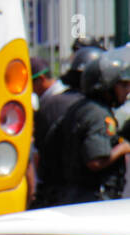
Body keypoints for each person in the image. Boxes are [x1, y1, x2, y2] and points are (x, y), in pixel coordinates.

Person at [35, 48, 130, 207]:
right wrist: (124, 148)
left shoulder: (81, 107)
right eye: (123, 85)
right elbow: (95, 161)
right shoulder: (99, 114)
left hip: (73, 195)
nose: (127, 91)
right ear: (107, 85)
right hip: (94, 200)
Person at [32, 46, 101, 207]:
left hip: (57, 193)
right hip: (83, 194)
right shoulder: (92, 108)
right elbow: (96, 160)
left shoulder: (50, 104)